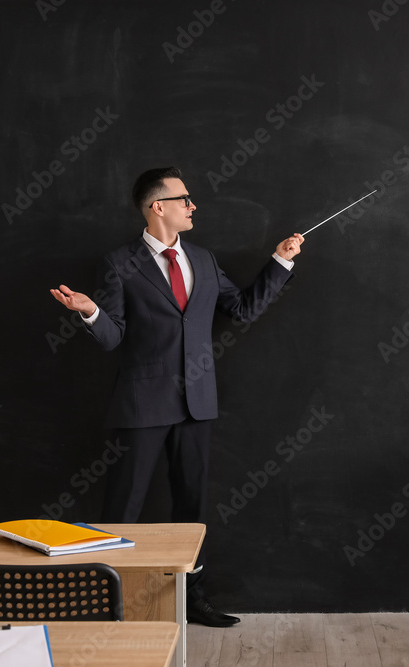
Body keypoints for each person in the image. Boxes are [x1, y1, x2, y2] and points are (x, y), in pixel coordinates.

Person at [51, 167, 303, 626]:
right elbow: (112, 337)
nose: (192, 206)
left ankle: (191, 597)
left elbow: (242, 310)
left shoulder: (204, 260)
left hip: (197, 403)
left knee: (192, 508)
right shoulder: (119, 262)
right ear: (157, 207)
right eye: (183, 198)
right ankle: (104, 605)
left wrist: (280, 261)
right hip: (143, 403)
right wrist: (89, 312)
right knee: (123, 507)